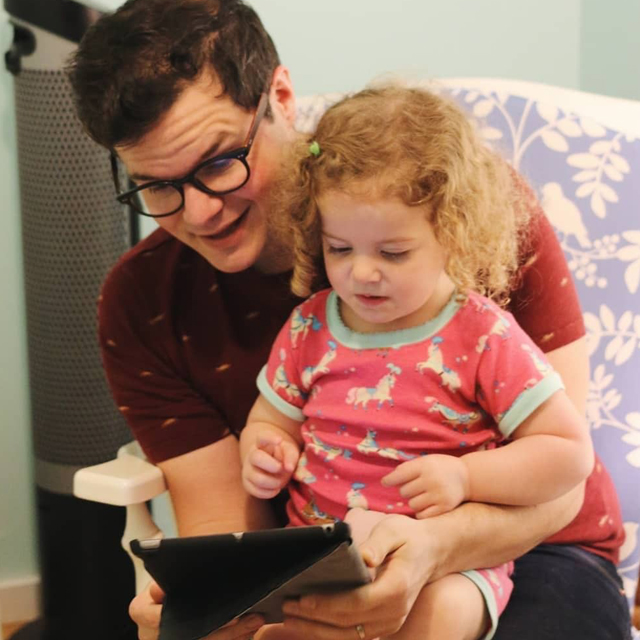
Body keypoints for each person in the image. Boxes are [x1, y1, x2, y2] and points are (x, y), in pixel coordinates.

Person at [66, 1, 627, 639]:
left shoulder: (458, 204)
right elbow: (229, 520)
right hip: (323, 557)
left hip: (535, 545)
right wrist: (208, 606)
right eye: (158, 187)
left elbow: (560, 484)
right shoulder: (145, 301)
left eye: (218, 163)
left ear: (280, 97)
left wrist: (433, 547)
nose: (198, 214)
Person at [239, 85, 596, 640]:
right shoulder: (309, 327)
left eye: (393, 252)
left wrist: (466, 476)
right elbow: (269, 421)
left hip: (446, 564)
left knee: (442, 613)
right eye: (339, 248)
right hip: (321, 561)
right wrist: (265, 450)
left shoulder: (481, 335)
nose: (362, 272)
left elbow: (568, 453)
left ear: (453, 233)